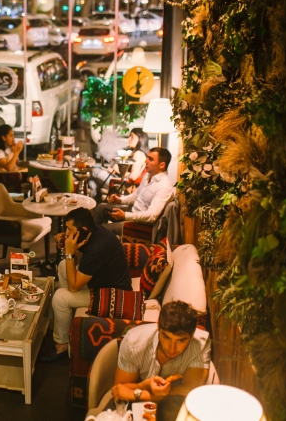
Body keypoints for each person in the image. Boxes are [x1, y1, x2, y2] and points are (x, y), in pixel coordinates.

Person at [40, 208, 132, 362]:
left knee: (59, 297)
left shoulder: (98, 248)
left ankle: (62, 345)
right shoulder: (94, 233)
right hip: (102, 284)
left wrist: (69, 252)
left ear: (82, 230)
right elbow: (77, 262)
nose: (66, 233)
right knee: (63, 266)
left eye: (69, 229)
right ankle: (66, 319)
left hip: (113, 296)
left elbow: (74, 286)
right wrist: (71, 245)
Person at [111, 301, 210, 403]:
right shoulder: (133, 342)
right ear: (158, 326)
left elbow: (191, 392)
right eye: (166, 337)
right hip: (141, 399)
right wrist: (145, 385)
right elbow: (119, 390)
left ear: (192, 334)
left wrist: (138, 394)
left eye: (181, 340)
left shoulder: (200, 345)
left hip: (175, 403)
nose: (172, 349)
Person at [92, 147, 174, 234]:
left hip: (141, 224)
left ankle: (92, 236)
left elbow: (152, 216)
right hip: (132, 211)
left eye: (150, 159)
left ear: (162, 165)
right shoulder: (148, 175)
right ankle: (89, 236)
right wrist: (119, 200)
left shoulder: (164, 186)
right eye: (147, 158)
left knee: (101, 230)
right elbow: (135, 196)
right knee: (101, 207)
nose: (145, 161)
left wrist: (125, 216)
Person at [89, 128, 149, 200]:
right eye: (129, 136)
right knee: (92, 183)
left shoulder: (139, 153)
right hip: (120, 180)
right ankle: (93, 204)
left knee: (94, 171)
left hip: (125, 185)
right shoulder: (133, 152)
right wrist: (113, 171)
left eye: (132, 137)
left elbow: (133, 176)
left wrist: (118, 170)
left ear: (140, 139)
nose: (129, 139)